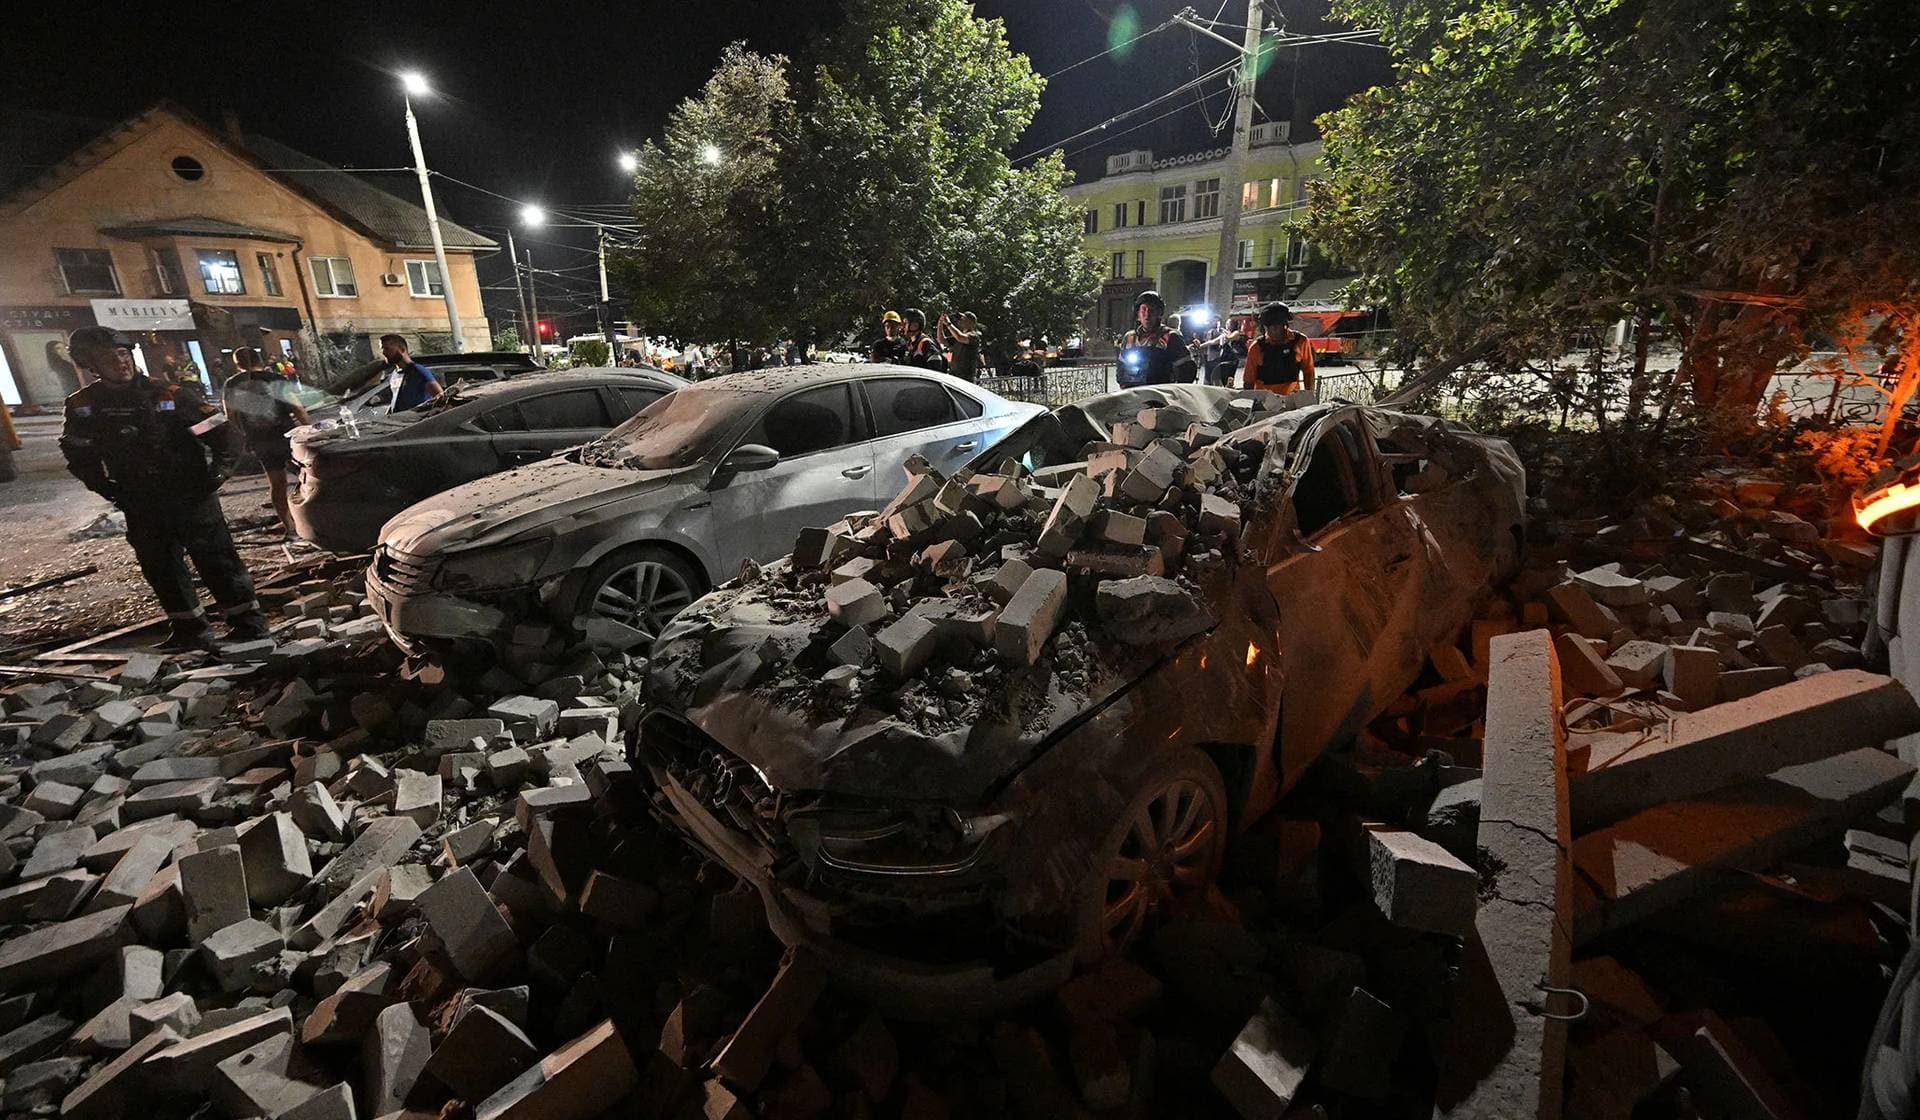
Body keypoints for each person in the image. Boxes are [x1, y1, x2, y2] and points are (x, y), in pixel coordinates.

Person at [59, 326, 269, 649]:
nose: (120, 363)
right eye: (109, 358)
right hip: (140, 500)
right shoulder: (83, 405)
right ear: (91, 365)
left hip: (191, 495)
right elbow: (78, 451)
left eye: (123, 354)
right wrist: (105, 487)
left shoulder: (169, 394)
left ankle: (248, 625)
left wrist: (217, 475)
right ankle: (189, 630)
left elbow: (224, 435)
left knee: (217, 560)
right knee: (160, 566)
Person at [221, 347, 310, 541]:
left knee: (277, 483)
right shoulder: (275, 379)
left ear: (238, 364)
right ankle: (309, 519)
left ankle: (290, 528)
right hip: (286, 435)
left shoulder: (231, 384)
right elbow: (297, 408)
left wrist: (243, 439)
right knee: (307, 477)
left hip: (260, 440)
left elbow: (230, 416)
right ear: (259, 359)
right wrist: (312, 431)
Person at [1117, 290, 1196, 386]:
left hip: (1159, 396)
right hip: (1132, 395)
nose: (1147, 314)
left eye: (1152, 310)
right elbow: (1121, 367)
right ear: (1137, 314)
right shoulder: (1129, 338)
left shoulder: (1170, 337)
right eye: (1143, 309)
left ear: (1159, 313)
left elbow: (1187, 371)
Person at [1241, 302, 1316, 393]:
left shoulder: (1300, 341)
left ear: (1285, 325)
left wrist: (1309, 396)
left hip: (1291, 399)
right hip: (1264, 400)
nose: (1270, 332)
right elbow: (1249, 381)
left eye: (1275, 328)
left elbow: (1308, 371)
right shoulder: (1256, 347)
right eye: (1267, 328)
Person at [378, 335, 442, 413]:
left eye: (387, 348)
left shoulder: (418, 371)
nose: (384, 353)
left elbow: (440, 396)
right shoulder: (394, 374)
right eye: (382, 349)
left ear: (402, 349)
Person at [940, 311, 982, 382]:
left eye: (964, 318)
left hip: (966, 377)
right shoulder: (957, 336)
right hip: (954, 375)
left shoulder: (974, 336)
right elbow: (941, 340)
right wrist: (940, 323)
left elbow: (960, 337)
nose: (961, 320)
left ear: (972, 323)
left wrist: (948, 324)